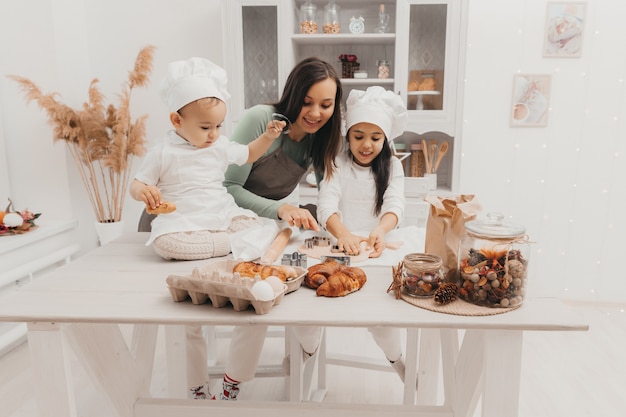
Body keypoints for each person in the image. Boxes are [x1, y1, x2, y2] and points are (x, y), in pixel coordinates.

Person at [129, 57, 284, 399]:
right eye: (205, 128)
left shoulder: (220, 146)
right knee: (169, 245)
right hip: (183, 220)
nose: (214, 135)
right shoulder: (163, 151)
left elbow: (250, 154)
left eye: (218, 127)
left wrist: (269, 136)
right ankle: (225, 247)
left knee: (262, 228)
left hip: (219, 215)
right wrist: (146, 193)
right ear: (176, 120)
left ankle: (222, 243)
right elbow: (136, 184)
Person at [216, 57, 344, 400]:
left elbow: (328, 191)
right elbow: (228, 187)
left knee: (298, 282)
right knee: (258, 293)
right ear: (293, 95)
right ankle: (233, 382)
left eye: (326, 104)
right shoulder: (262, 118)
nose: (316, 112)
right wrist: (283, 208)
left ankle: (305, 355)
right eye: (307, 102)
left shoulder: (320, 138)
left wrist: (340, 231)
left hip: (264, 224)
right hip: (225, 219)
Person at [317, 85, 410, 381]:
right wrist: (342, 233)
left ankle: (397, 361)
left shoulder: (393, 165)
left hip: (375, 248)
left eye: (375, 137)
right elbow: (326, 205)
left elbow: (395, 203)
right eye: (358, 137)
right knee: (313, 307)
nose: (366, 145)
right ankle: (305, 355)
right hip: (341, 250)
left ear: (386, 138)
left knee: (381, 316)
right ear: (347, 135)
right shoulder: (336, 162)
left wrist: (381, 229)